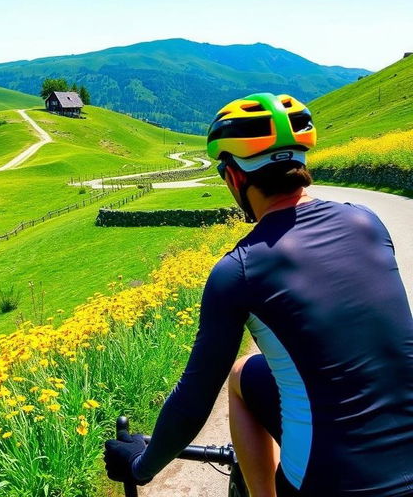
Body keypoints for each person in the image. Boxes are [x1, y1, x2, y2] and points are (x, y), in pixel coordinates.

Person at [105, 92, 413, 496]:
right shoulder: (367, 221)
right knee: (245, 372)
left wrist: (141, 466)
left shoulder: (238, 271)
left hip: (330, 486)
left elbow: (193, 400)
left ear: (234, 177)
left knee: (236, 376)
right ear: (301, 162)